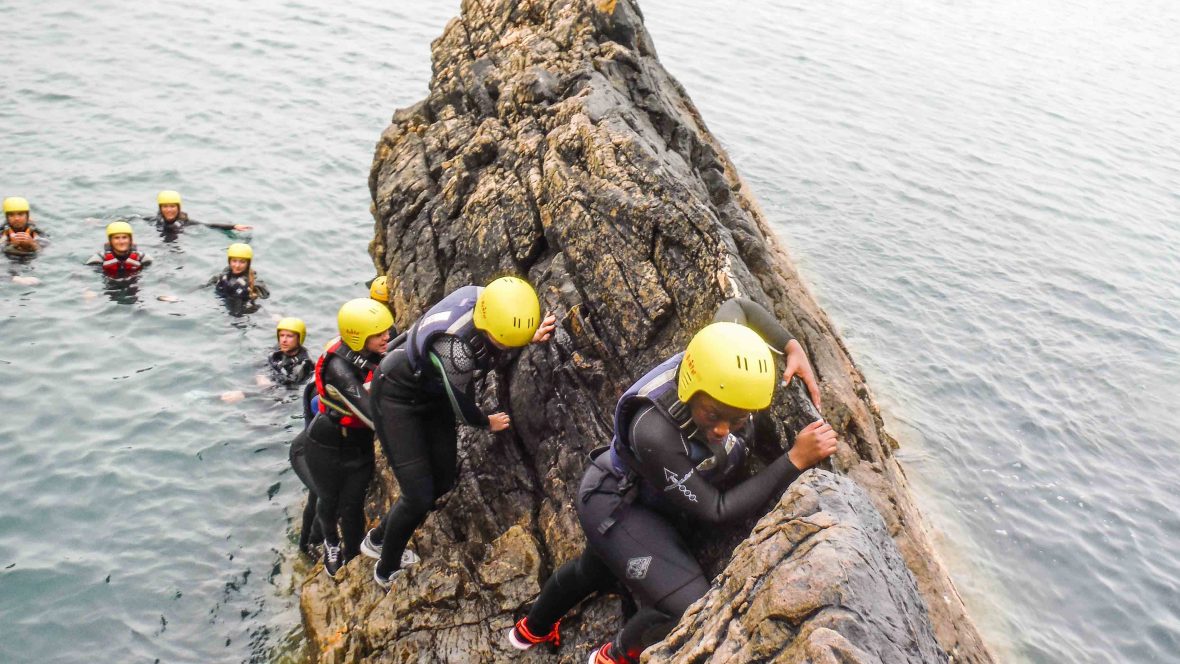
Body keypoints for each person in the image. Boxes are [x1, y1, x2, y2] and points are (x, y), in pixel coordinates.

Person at [505, 299, 836, 663]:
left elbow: (738, 305)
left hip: (647, 498)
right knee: (687, 607)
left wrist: (791, 346)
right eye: (713, 414)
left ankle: (530, 630)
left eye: (738, 419)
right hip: (615, 504)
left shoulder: (718, 353)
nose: (722, 429)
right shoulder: (655, 432)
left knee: (596, 569)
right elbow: (716, 508)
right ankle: (611, 657)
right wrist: (794, 460)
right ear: (691, 387)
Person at [362, 276, 557, 589]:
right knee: (418, 496)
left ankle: (379, 535)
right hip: (397, 397)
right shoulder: (457, 349)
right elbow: (461, 404)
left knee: (443, 479)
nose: (506, 347)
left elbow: (503, 324)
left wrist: (527, 334)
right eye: (503, 341)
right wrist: (485, 421)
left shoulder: (486, 298)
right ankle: (385, 567)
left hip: (430, 390)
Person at [297, 299, 392, 577]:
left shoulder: (378, 345)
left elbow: (409, 343)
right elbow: (371, 413)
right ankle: (331, 543)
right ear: (359, 336)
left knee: (352, 506)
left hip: (358, 446)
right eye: (379, 334)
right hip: (325, 444)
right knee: (328, 500)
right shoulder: (339, 369)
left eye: (386, 330)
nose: (387, 336)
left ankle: (352, 555)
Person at [151, 190, 252, 239]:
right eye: (165, 206)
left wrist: (233, 226)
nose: (169, 210)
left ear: (178, 208)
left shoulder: (185, 222)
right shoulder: (157, 220)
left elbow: (208, 225)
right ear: (160, 208)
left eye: (172, 206)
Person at [86, 221, 151, 277]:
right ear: (110, 241)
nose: (121, 242)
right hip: (110, 289)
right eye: (116, 238)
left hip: (135, 288)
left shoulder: (143, 259)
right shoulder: (99, 259)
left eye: (124, 237)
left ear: (131, 240)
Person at [269, 318, 313, 386]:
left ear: (299, 339)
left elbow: (289, 387)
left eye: (289, 336)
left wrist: (269, 386)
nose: (284, 340)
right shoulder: (280, 348)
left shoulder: (303, 364)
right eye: (282, 335)